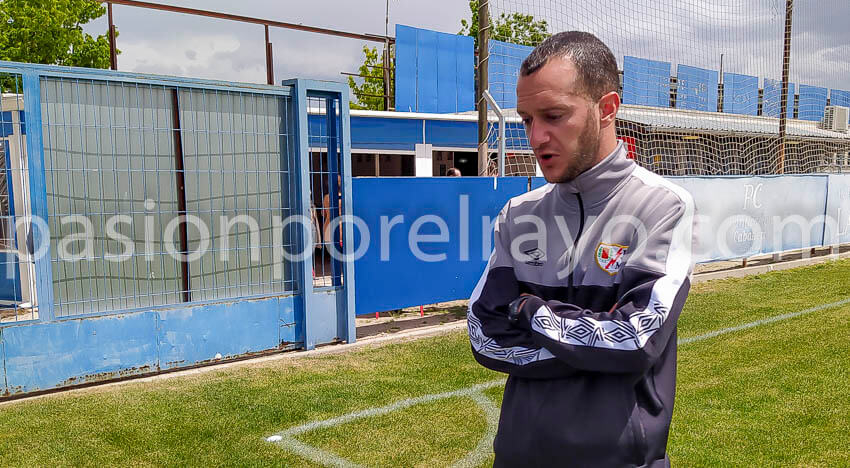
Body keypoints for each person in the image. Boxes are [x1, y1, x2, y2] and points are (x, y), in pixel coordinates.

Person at [467, 31, 696, 467]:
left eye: (553, 115)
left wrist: (531, 312)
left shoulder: (660, 205)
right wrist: (592, 346)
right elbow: (484, 335)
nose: (536, 137)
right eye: (526, 120)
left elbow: (636, 339)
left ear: (606, 108)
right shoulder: (518, 214)